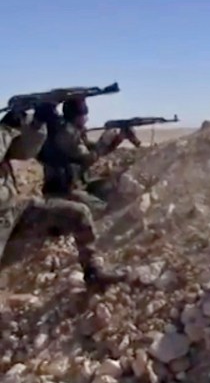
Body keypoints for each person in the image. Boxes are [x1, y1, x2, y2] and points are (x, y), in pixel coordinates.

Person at [0, 105, 126, 292]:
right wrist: (5, 130)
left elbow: (25, 152)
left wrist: (37, 124)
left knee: (78, 214)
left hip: (12, 209)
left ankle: (93, 272)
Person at [37, 97, 128, 214]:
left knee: (112, 188)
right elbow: (88, 158)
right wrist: (105, 142)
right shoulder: (67, 134)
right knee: (104, 211)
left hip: (75, 185)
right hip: (64, 191)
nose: (86, 119)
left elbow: (92, 148)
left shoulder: (70, 131)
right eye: (83, 116)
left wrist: (116, 140)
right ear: (76, 117)